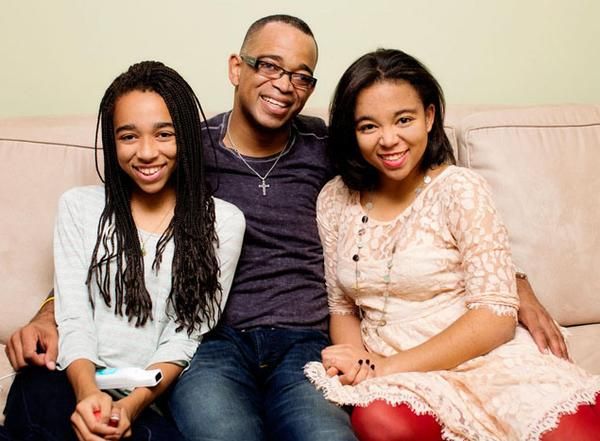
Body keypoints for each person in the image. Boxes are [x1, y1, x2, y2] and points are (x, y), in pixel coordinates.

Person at [4, 15, 568, 440]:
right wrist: (50, 309)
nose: (283, 83)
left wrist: (513, 284)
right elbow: (119, 233)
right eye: (268, 65)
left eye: (300, 74)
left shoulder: (334, 148)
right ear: (236, 68)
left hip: (308, 342)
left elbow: (422, 203)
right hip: (214, 344)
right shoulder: (185, 148)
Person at [304, 48, 600, 441]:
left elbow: (495, 316)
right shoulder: (335, 199)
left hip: (484, 357)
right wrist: (363, 363)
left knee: (573, 431)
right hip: (393, 365)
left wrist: (385, 368)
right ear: (351, 132)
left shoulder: (460, 188)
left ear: (429, 117)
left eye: (404, 119)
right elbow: (341, 306)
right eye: (368, 126)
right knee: (379, 422)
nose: (389, 139)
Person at [3, 61, 245, 440]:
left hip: (147, 394)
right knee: (34, 391)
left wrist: (127, 407)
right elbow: (74, 319)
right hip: (74, 377)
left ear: (185, 135)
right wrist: (88, 395)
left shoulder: (224, 222)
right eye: (128, 136)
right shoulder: (78, 208)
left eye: (164, 134)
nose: (147, 153)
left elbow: (185, 336)